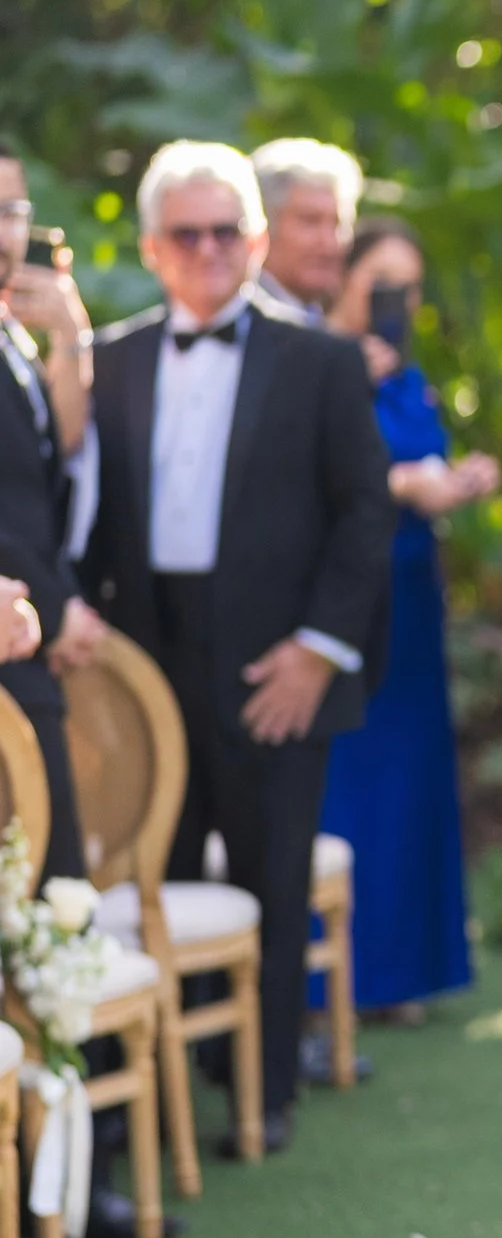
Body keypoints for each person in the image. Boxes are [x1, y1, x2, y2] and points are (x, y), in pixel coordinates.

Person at [77, 144, 393, 1151]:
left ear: (256, 239)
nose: (209, 250)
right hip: (149, 665)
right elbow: (81, 521)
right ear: (151, 248)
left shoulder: (322, 359)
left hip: (275, 664)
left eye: (227, 231)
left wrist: (316, 651)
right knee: (146, 877)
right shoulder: (112, 360)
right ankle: (141, 1104)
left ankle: (264, 1100)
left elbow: (362, 519)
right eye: (187, 234)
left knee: (270, 878)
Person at [316, 223, 498, 1028]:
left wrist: (462, 480)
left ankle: (406, 974)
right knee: (352, 789)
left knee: (412, 785)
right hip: (353, 603)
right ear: (347, 279)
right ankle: (335, 984)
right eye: (381, 281)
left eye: (409, 286)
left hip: (417, 599)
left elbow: (423, 456)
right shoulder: (322, 364)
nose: (397, 301)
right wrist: (401, 485)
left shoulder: (411, 377)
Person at [0, 148, 103, 880]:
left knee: (53, 885)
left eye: (11, 210)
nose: (3, 231)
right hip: (13, 639)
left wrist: (71, 338)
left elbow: (56, 456)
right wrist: (60, 605)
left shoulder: (14, 337)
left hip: (32, 643)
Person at [250, 139, 361, 322]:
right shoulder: (240, 324)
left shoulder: (333, 325)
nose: (328, 241)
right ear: (263, 224)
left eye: (338, 223)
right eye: (310, 221)